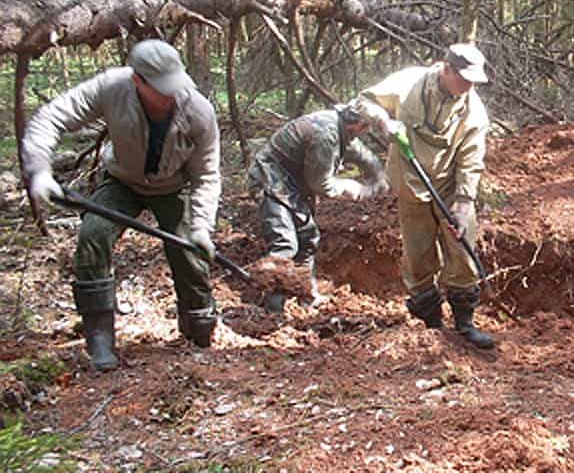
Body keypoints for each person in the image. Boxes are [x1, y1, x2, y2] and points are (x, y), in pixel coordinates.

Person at [23, 39, 222, 370]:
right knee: (93, 235)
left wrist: (201, 226)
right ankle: (100, 340)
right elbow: (51, 117)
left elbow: (207, 174)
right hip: (122, 181)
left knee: (189, 252)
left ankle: (198, 328)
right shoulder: (112, 87)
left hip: (173, 187)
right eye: (160, 89)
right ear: (137, 81)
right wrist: (40, 169)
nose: (169, 95)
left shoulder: (198, 110)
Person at [349, 43, 494, 349]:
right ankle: (431, 325)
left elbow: (471, 159)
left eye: (473, 81)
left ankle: (464, 324)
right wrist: (385, 121)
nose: (468, 87)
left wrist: (464, 202)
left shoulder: (474, 113)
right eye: (463, 78)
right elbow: (362, 102)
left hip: (450, 187)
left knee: (463, 250)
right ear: (446, 69)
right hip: (409, 183)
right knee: (418, 255)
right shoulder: (408, 84)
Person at [249, 106, 387, 313]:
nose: (365, 131)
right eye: (365, 127)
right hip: (271, 179)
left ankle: (306, 295)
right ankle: (273, 308)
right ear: (357, 124)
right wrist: (350, 186)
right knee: (284, 244)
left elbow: (361, 153)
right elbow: (320, 185)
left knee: (307, 239)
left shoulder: (342, 129)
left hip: (294, 184)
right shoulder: (327, 134)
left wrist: (379, 176)